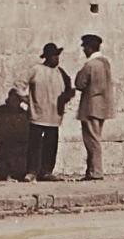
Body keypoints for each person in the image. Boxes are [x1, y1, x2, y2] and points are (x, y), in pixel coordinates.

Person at [24, 42, 70, 181]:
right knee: (35, 145)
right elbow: (19, 85)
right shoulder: (36, 70)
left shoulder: (61, 73)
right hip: (38, 115)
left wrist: (64, 100)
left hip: (54, 116)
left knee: (51, 146)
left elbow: (69, 89)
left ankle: (46, 172)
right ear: (47, 57)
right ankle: (31, 171)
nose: (56, 58)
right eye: (54, 56)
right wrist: (26, 100)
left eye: (58, 56)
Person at [72, 32, 114, 180]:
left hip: (91, 107)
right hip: (102, 106)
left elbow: (79, 84)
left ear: (89, 48)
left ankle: (96, 172)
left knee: (91, 140)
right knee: (94, 138)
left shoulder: (90, 65)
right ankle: (91, 171)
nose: (84, 50)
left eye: (85, 47)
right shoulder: (105, 63)